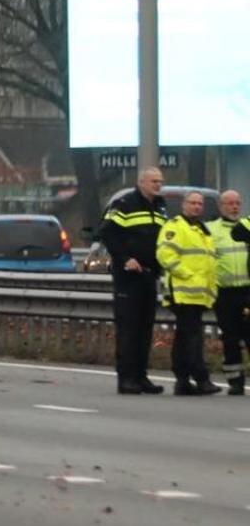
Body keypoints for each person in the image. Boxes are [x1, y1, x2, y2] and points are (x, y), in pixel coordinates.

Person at [99, 166, 169, 395]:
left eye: (160, 181)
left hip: (149, 275)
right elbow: (107, 233)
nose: (158, 185)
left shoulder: (160, 207)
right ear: (141, 183)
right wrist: (124, 258)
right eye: (153, 181)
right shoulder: (125, 203)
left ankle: (141, 376)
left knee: (145, 328)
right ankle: (126, 378)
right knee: (129, 328)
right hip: (128, 276)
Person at [157, 190, 221, 396]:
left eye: (199, 204)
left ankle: (183, 380)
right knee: (192, 337)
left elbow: (208, 263)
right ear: (184, 205)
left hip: (199, 294)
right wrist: (187, 275)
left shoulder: (202, 231)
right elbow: (165, 254)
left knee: (186, 337)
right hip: (183, 293)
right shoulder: (176, 227)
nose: (196, 207)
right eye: (192, 203)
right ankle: (200, 378)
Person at [209, 190, 248, 395]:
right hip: (224, 293)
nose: (234, 207)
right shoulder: (211, 230)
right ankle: (235, 381)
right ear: (221, 206)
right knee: (231, 338)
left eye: (237, 203)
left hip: (247, 290)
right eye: (230, 203)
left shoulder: (246, 227)